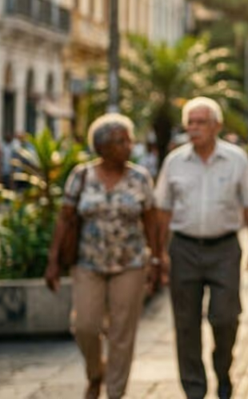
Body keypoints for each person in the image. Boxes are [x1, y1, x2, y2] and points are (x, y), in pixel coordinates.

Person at [44, 114, 162, 399]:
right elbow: (65, 218)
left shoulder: (139, 177)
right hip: (88, 263)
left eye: (128, 139)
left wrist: (157, 259)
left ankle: (115, 392)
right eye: (121, 141)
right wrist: (53, 260)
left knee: (123, 332)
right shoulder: (81, 175)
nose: (129, 145)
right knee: (85, 325)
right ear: (102, 147)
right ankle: (96, 373)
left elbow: (151, 220)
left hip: (130, 263)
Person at [155, 97, 248, 399]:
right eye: (190, 121)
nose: (194, 128)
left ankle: (223, 371)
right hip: (184, 248)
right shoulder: (174, 161)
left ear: (216, 125)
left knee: (226, 317)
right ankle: (194, 390)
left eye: (201, 122)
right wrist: (159, 252)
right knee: (185, 323)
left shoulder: (236, 158)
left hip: (225, 249)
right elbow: (162, 209)